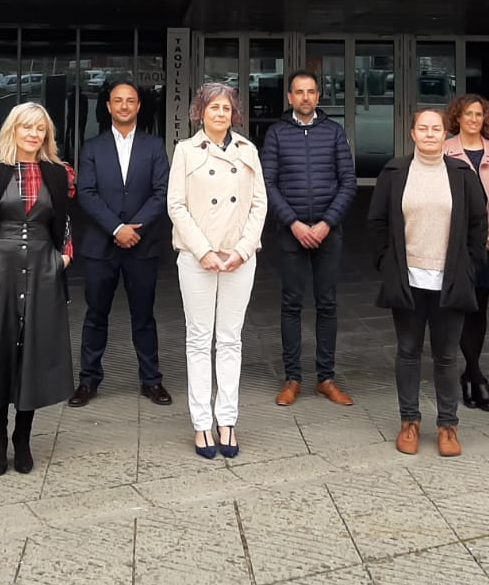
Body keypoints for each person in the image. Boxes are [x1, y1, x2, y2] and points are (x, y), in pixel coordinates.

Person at [0, 102, 75, 476]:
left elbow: (67, 225)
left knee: (33, 356)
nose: (33, 134)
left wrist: (63, 260)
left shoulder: (58, 172)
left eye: (40, 129)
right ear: (13, 129)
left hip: (43, 270)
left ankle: (22, 438)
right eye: (27, 127)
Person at [372, 107, 487, 457]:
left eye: (436, 129)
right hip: (407, 280)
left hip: (448, 280)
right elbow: (376, 222)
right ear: (412, 134)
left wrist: (468, 267)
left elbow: (478, 224)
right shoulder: (394, 172)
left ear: (444, 134)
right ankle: (409, 421)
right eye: (423, 128)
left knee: (446, 356)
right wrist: (386, 264)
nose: (429, 134)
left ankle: (448, 425)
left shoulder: (462, 174)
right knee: (408, 351)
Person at [168, 82, 267, 459]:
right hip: (198, 259)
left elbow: (260, 204)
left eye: (226, 108)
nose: (221, 114)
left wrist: (242, 249)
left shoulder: (248, 150)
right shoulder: (185, 151)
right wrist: (203, 249)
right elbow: (176, 205)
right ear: (200, 112)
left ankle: (227, 418)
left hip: (239, 258)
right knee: (198, 339)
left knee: (230, 339)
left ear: (234, 113)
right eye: (214, 108)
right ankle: (200, 422)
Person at [71, 79, 172, 406]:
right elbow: (85, 192)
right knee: (95, 315)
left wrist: (135, 229)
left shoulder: (155, 146)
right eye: (118, 101)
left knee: (144, 316)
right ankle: (88, 381)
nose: (124, 106)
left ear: (139, 106)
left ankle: (151, 380)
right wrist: (116, 228)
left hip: (142, 247)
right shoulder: (93, 147)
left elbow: (162, 192)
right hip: (102, 245)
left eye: (130, 100)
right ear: (108, 106)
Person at [263, 70, 357, 407]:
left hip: (328, 233)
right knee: (291, 304)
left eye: (311, 91)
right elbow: (268, 184)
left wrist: (326, 223)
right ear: (289, 97)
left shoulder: (333, 133)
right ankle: (292, 378)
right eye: (299, 92)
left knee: (327, 303)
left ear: (319, 96)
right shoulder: (276, 134)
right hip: (291, 233)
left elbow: (348, 182)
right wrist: (294, 223)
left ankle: (326, 378)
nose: (305, 97)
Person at [442, 93, 489, 412]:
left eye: (479, 115)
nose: (473, 119)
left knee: (480, 310)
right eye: (468, 114)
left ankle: (471, 375)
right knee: (461, 309)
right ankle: (475, 376)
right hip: (455, 244)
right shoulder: (445, 150)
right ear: (457, 117)